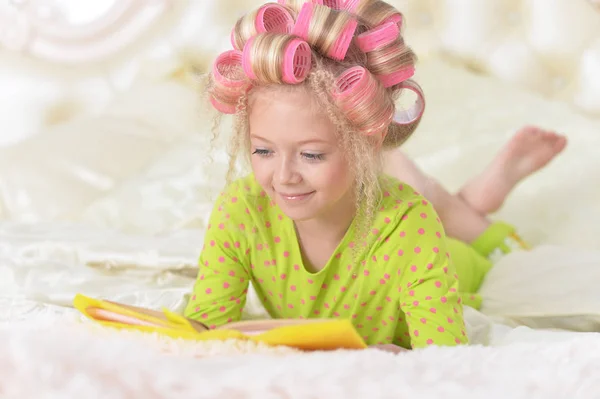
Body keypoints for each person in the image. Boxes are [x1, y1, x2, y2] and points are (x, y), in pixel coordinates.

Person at [183, 0, 566, 352]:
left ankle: (464, 211)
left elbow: (446, 355)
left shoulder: (410, 225)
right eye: (263, 150)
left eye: (311, 154)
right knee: (418, 204)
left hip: (450, 256)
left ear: (368, 143)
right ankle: (454, 201)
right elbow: (203, 326)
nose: (283, 177)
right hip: (387, 206)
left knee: (499, 255)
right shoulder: (241, 209)